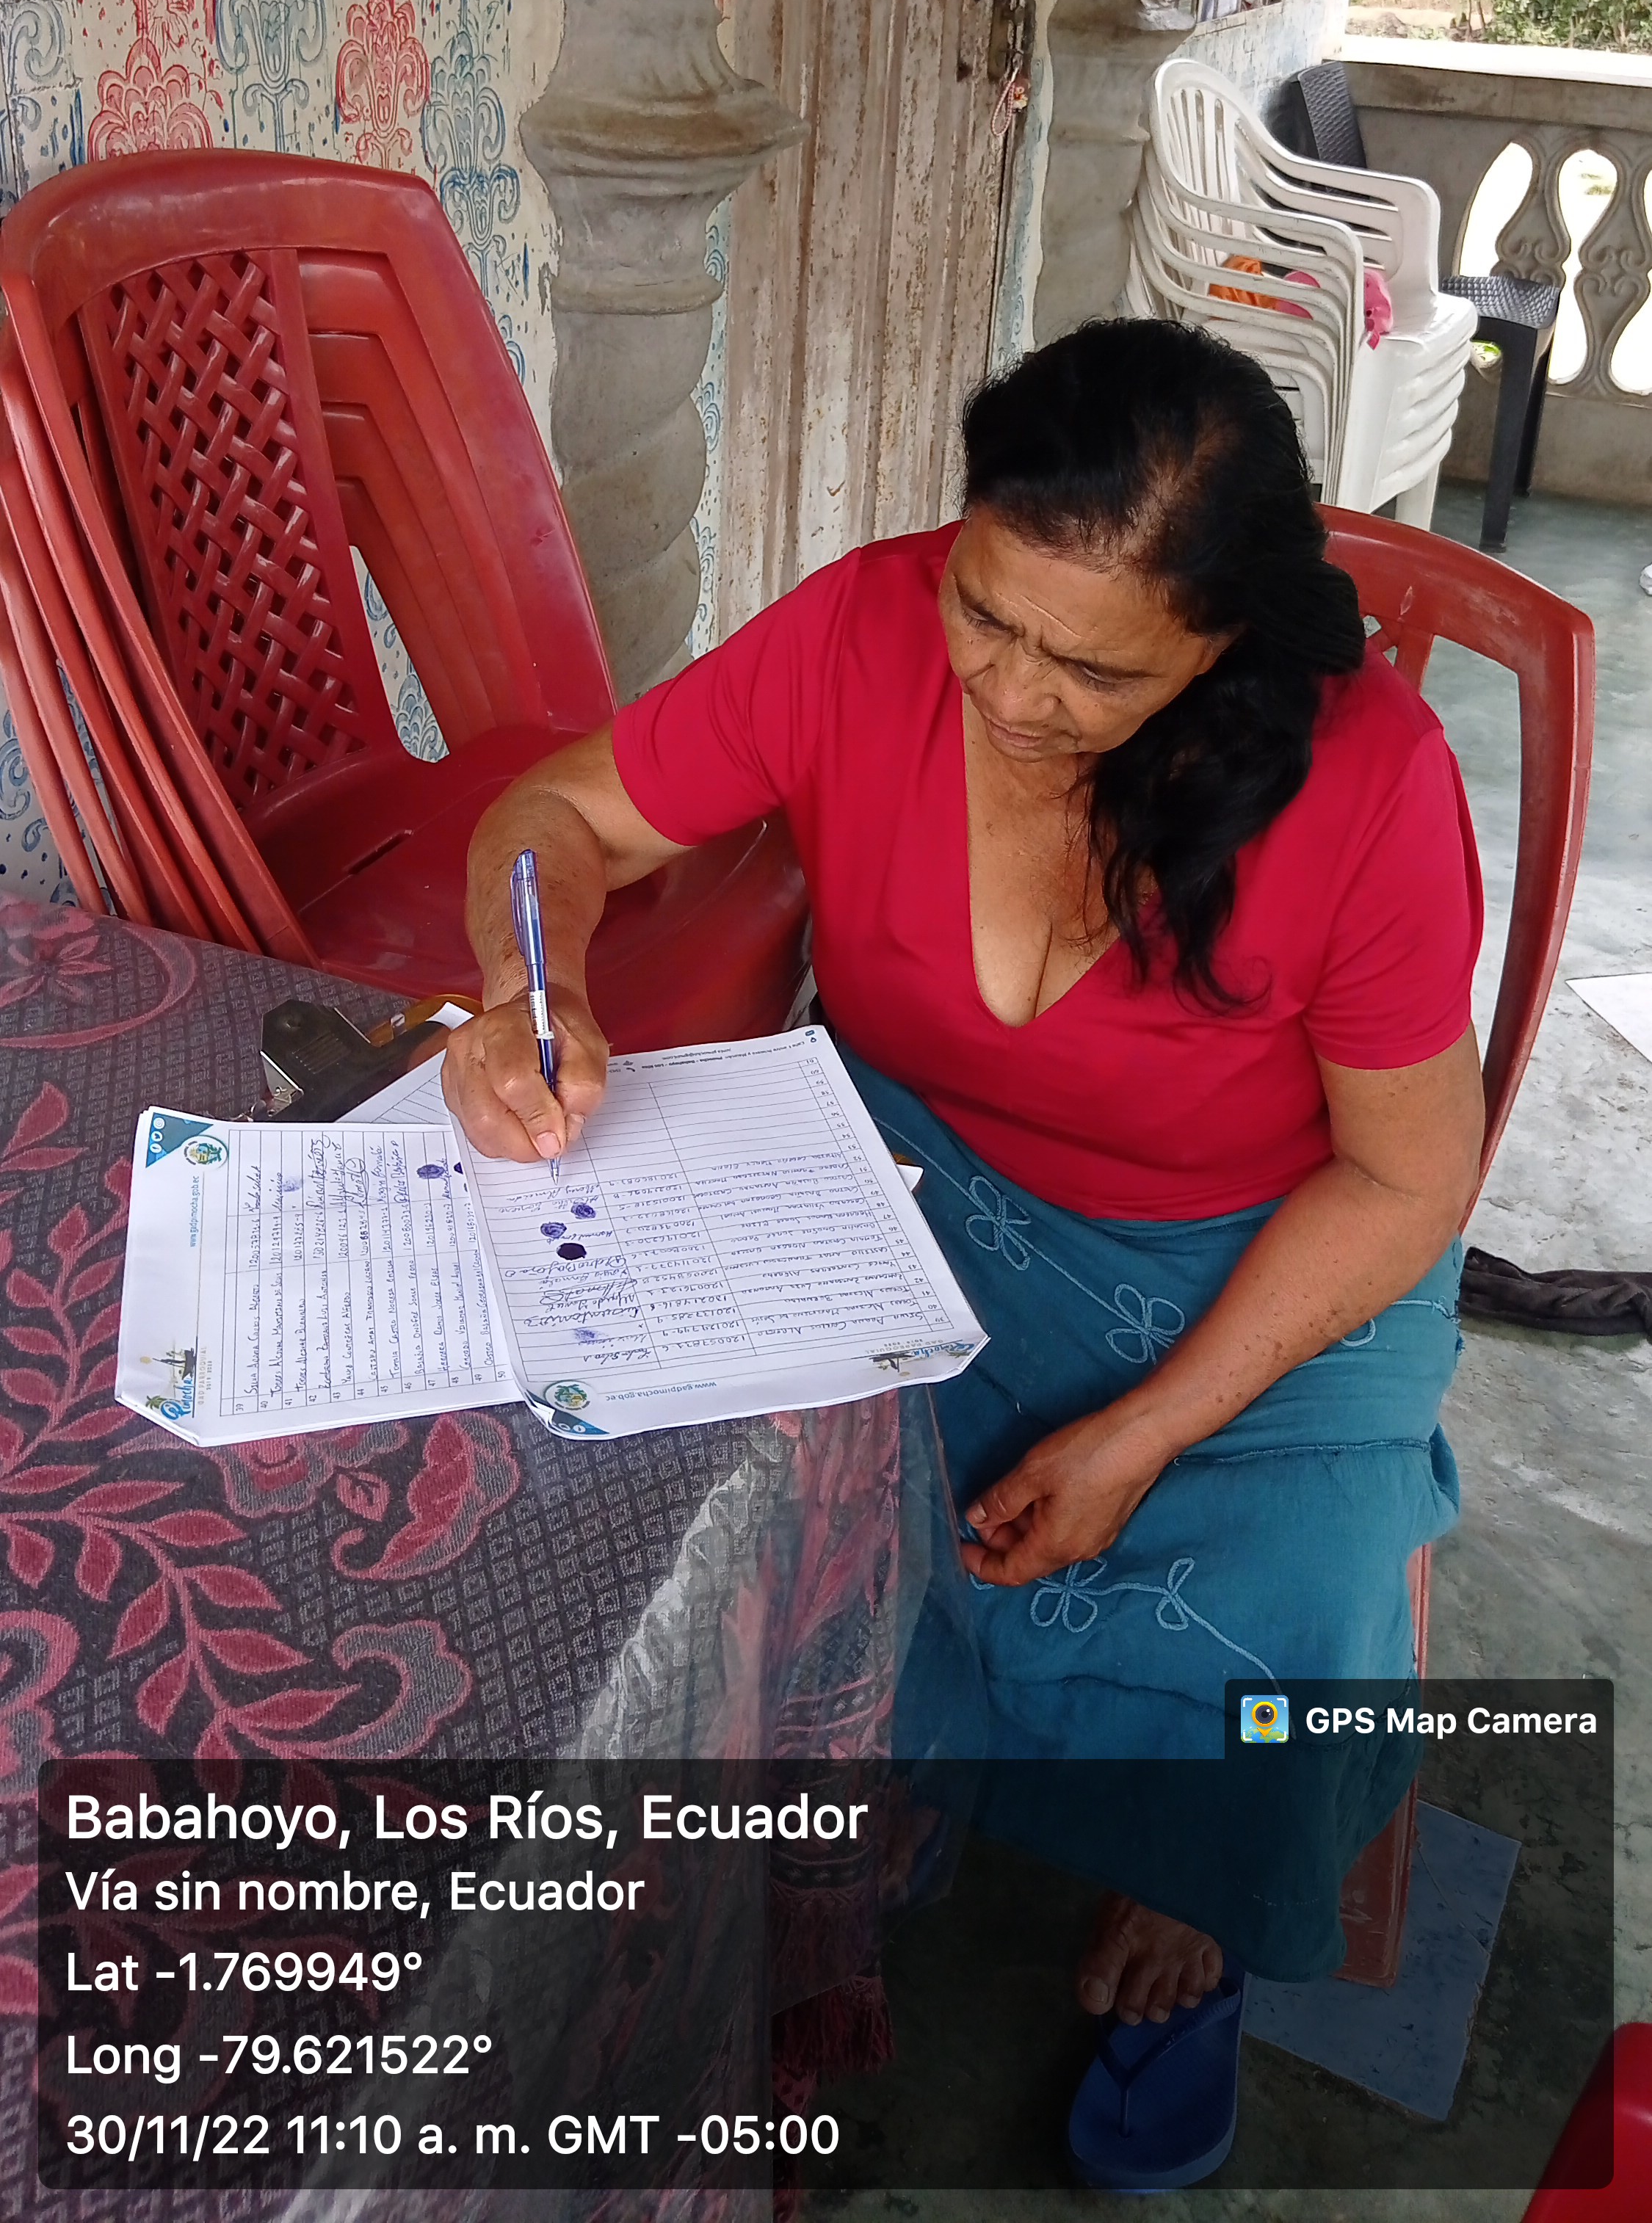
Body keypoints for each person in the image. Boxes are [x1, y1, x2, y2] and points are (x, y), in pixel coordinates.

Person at [443, 319, 1484, 2186]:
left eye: (1096, 667)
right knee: (750, 1480)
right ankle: (892, 1757)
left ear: (1222, 643)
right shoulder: (859, 632)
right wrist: (535, 984)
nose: (1011, 688)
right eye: (988, 612)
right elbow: (561, 812)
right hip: (915, 1178)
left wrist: (1149, 1428)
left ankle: (1191, 1881)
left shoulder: (1369, 783)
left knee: (1297, 1589)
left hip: (1267, 1257)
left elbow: (1408, 1179)